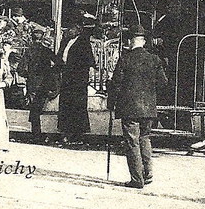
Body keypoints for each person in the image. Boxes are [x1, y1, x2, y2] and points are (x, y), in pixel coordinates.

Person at [108, 25, 168, 189]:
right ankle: (148, 174)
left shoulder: (125, 59)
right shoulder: (154, 59)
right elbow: (163, 83)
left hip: (129, 108)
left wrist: (111, 103)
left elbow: (116, 84)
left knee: (132, 142)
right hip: (148, 108)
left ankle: (136, 179)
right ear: (143, 41)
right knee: (145, 138)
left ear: (130, 40)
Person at [57, 18, 96, 142]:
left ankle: (78, 134)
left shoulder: (83, 42)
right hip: (67, 78)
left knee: (77, 106)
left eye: (71, 29)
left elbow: (89, 60)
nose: (69, 31)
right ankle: (66, 131)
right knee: (66, 105)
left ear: (78, 30)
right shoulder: (65, 41)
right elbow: (60, 56)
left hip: (78, 79)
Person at [19, 24, 59, 141]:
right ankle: (38, 132)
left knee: (34, 108)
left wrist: (28, 75)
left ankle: (36, 132)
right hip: (45, 81)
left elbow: (21, 69)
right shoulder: (47, 51)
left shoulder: (29, 52)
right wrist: (51, 72)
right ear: (42, 38)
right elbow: (60, 63)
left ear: (32, 38)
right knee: (39, 107)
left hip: (33, 83)